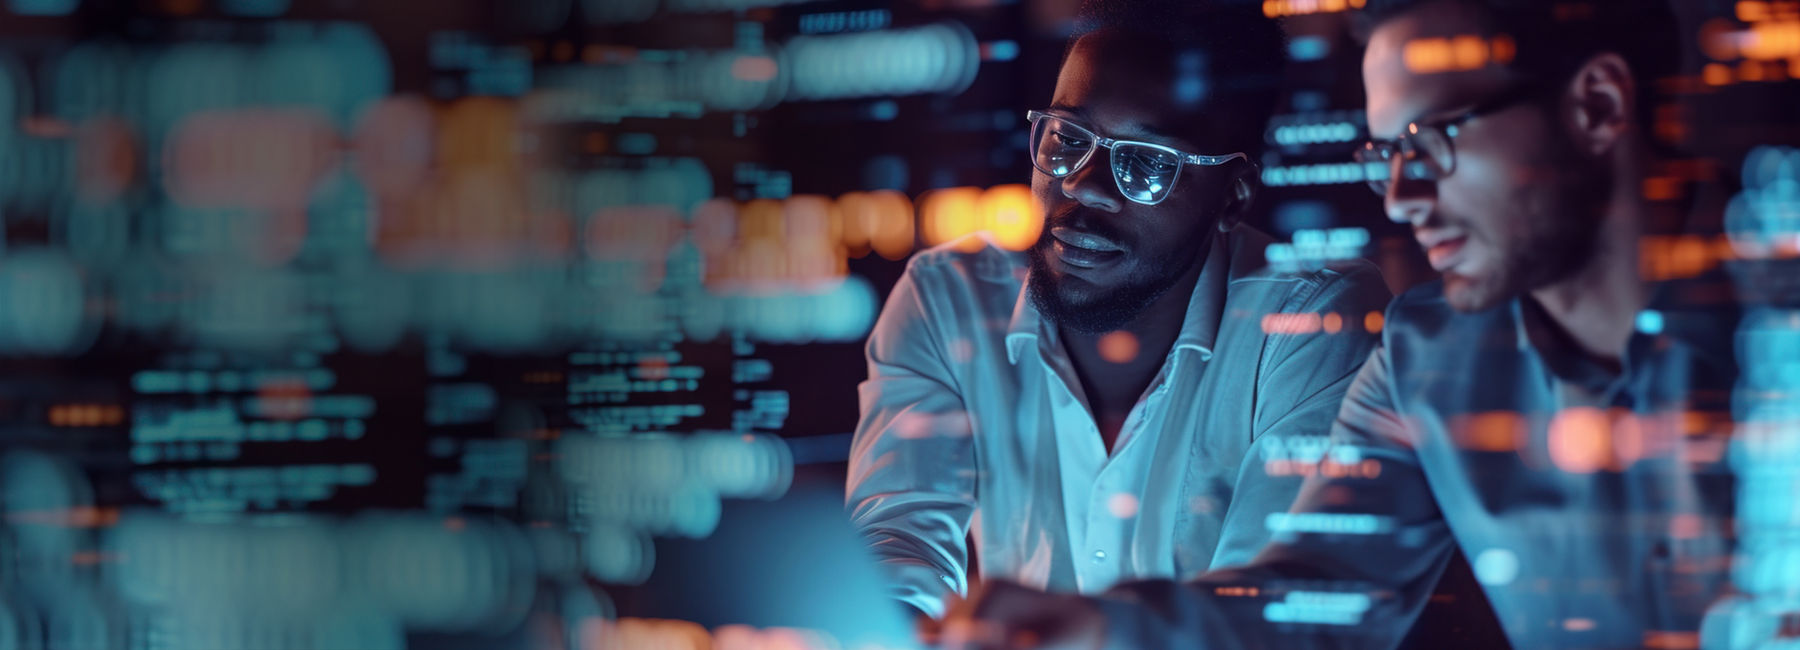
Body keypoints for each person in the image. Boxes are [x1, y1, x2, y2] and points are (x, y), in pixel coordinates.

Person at [937, 0, 1740, 648]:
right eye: (1387, 151)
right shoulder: (1428, 358)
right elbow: (1316, 592)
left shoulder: (1772, 331)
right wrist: (1101, 629)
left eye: (1433, 139)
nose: (1401, 197)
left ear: (1597, 105)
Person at [845, 0, 1392, 625]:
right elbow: (899, 542)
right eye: (1068, 138)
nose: (1083, 184)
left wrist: (1094, 632)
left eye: (1147, 162)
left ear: (1232, 195)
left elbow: (1277, 607)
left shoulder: (1312, 322)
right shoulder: (948, 300)